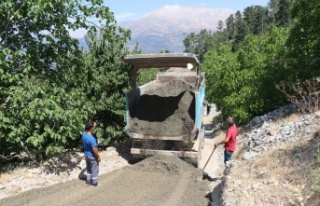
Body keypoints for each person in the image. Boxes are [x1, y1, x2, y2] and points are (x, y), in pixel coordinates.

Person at [82, 121, 101, 186]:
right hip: (92, 156)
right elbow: (95, 150)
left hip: (86, 155)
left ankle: (88, 181)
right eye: (94, 127)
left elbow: (90, 126)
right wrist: (98, 157)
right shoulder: (92, 139)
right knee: (94, 169)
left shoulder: (84, 134)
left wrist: (93, 124)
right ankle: (94, 182)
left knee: (89, 169)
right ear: (91, 128)